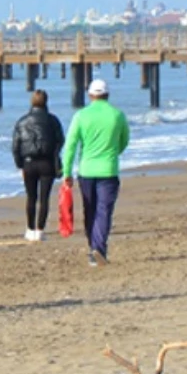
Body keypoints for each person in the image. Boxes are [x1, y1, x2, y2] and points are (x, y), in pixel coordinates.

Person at [61, 78, 130, 267]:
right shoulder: (117, 115)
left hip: (87, 170)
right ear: (107, 94)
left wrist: (66, 172)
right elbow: (124, 141)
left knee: (90, 210)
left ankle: (94, 248)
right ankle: (98, 248)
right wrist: (112, 153)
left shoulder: (81, 116)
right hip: (109, 169)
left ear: (90, 95)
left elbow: (70, 146)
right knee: (104, 211)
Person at [11, 89, 65, 242]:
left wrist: (20, 165)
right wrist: (55, 154)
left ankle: (30, 229)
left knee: (31, 197)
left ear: (31, 102)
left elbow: (15, 146)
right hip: (47, 162)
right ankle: (40, 230)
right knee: (44, 197)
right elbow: (60, 140)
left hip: (29, 162)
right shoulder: (52, 120)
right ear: (46, 102)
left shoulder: (22, 121)